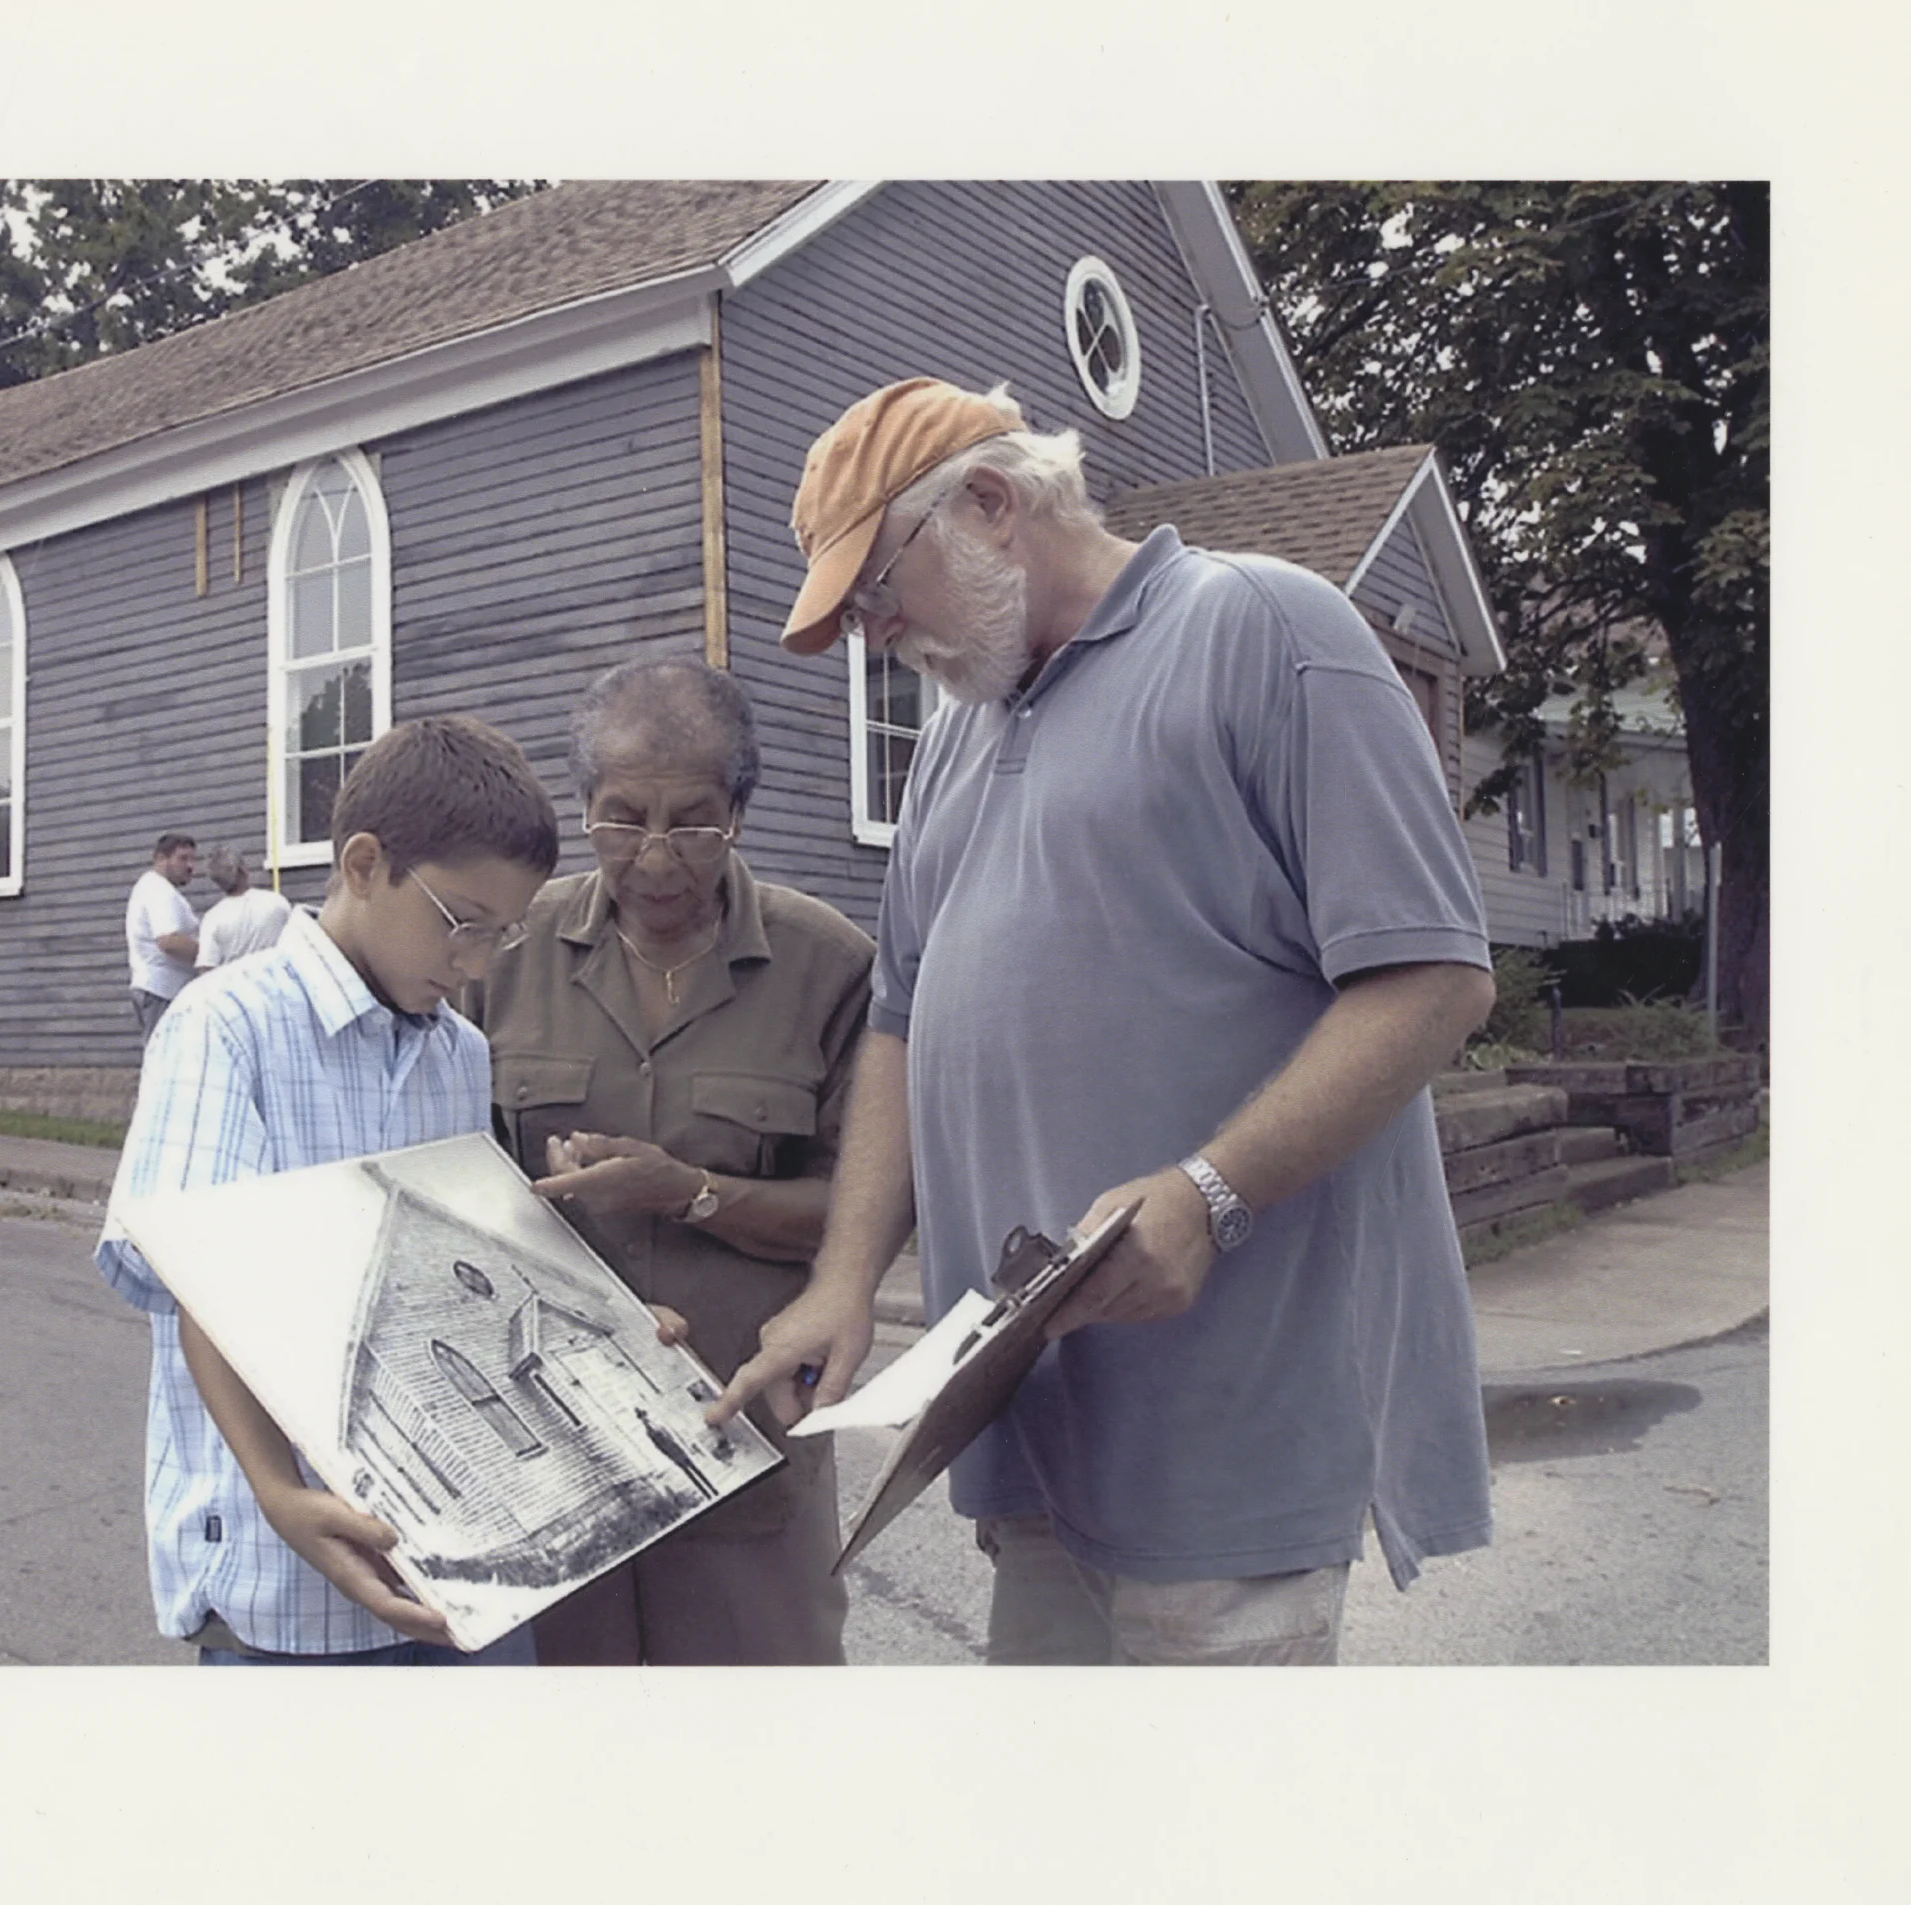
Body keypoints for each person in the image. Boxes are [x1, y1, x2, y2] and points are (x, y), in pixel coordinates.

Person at [710, 377, 1499, 1666]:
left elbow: (1432, 979)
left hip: (1229, 1447)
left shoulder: (1260, 628)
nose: (869, 630)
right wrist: (841, 1280)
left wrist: (1207, 1192)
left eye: (874, 588)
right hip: (1032, 1445)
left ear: (987, 502)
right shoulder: (959, 737)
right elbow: (902, 1024)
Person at [94, 716, 560, 1665]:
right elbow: (197, 1272)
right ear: (363, 863)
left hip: (461, 1555)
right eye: (462, 923)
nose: (475, 965)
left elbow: (456, 1271)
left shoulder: (458, 1053)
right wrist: (274, 1489)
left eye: (501, 937)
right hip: (288, 1565)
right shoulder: (226, 1026)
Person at [467, 659, 871, 1666]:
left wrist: (688, 1193)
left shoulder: (828, 965)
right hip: (549, 1463)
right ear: (584, 807)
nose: (654, 857)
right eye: (621, 818)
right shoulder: (504, 962)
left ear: (739, 808)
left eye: (692, 821)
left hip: (745, 1450)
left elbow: (862, 1213)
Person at [125, 833, 200, 1042]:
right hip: (161, 991)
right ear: (160, 859)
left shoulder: (156, 889)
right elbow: (168, 941)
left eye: (193, 859)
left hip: (163, 989)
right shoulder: (159, 891)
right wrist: (211, 956)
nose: (190, 866)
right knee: (163, 1059)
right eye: (183, 858)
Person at [191, 845, 296, 972]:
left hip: (235, 988)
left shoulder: (212, 918)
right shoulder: (276, 902)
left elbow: (206, 967)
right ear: (242, 870)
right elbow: (296, 943)